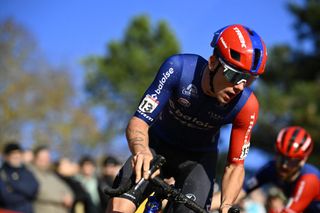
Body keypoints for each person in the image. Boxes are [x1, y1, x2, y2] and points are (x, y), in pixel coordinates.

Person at [106, 24, 268, 213]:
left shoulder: (247, 106)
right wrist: (141, 150)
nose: (240, 87)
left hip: (198, 162)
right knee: (119, 208)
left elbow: (235, 166)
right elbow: (139, 121)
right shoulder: (178, 69)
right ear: (213, 62)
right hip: (155, 147)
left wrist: (226, 206)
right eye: (234, 75)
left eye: (249, 79)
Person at [211, 126, 320, 213]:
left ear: (303, 160)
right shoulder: (271, 168)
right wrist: (205, 205)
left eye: (292, 161)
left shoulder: (309, 179)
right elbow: (238, 191)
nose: (284, 165)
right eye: (281, 156)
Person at [30, 146, 74, 213]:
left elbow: (66, 189)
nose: (46, 160)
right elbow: (39, 191)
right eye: (43, 157)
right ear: (35, 158)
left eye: (47, 157)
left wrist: (69, 196)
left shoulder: (52, 175)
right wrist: (61, 198)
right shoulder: (30, 173)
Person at [0, 142, 39, 213]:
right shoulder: (2, 173)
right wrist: (25, 195)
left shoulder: (28, 172)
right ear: (6, 157)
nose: (16, 157)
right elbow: (5, 196)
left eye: (18, 155)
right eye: (13, 155)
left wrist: (13, 186)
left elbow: (34, 189)